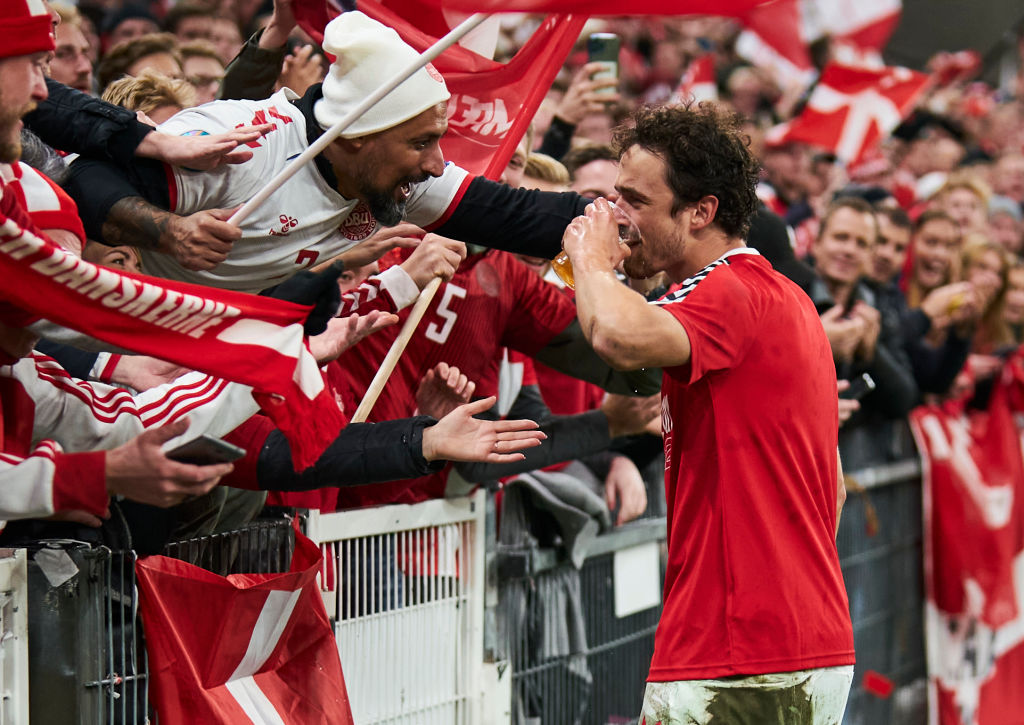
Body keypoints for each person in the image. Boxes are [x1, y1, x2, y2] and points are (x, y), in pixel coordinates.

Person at [561, 104, 854, 724]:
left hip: (735, 648)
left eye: (635, 200)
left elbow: (615, 335)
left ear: (700, 212)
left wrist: (588, 259)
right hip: (803, 639)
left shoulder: (726, 290)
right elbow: (835, 488)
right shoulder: (790, 300)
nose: (616, 215)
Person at [64, 11, 588, 293]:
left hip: (199, 359)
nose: (435, 164)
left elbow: (517, 216)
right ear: (356, 136)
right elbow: (85, 181)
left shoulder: (394, 172)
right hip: (92, 347)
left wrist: (627, 216)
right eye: (421, 142)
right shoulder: (244, 144)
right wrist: (169, 232)